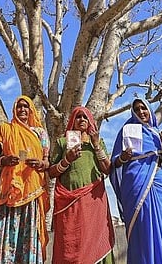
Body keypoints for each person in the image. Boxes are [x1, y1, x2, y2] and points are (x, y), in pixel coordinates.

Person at [0, 96, 50, 264]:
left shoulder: (40, 133)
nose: (22, 110)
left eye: (26, 107)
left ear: (31, 110)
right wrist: (4, 160)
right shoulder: (5, 129)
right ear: (14, 110)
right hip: (7, 188)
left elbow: (47, 162)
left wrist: (40, 163)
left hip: (32, 189)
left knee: (28, 232)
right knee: (2, 228)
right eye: (19, 107)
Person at [110, 98, 162, 264]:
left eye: (143, 108)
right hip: (135, 185)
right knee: (141, 229)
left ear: (149, 110)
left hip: (158, 183)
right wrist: (123, 158)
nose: (141, 112)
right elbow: (114, 164)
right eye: (137, 109)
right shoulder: (126, 131)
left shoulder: (157, 133)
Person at [47, 106, 116, 264]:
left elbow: (107, 169)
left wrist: (97, 145)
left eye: (85, 117)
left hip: (93, 202)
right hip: (69, 203)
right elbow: (51, 172)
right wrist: (67, 160)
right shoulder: (62, 142)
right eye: (78, 117)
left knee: (97, 239)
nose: (82, 120)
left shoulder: (97, 143)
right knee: (70, 242)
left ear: (90, 121)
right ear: (73, 121)